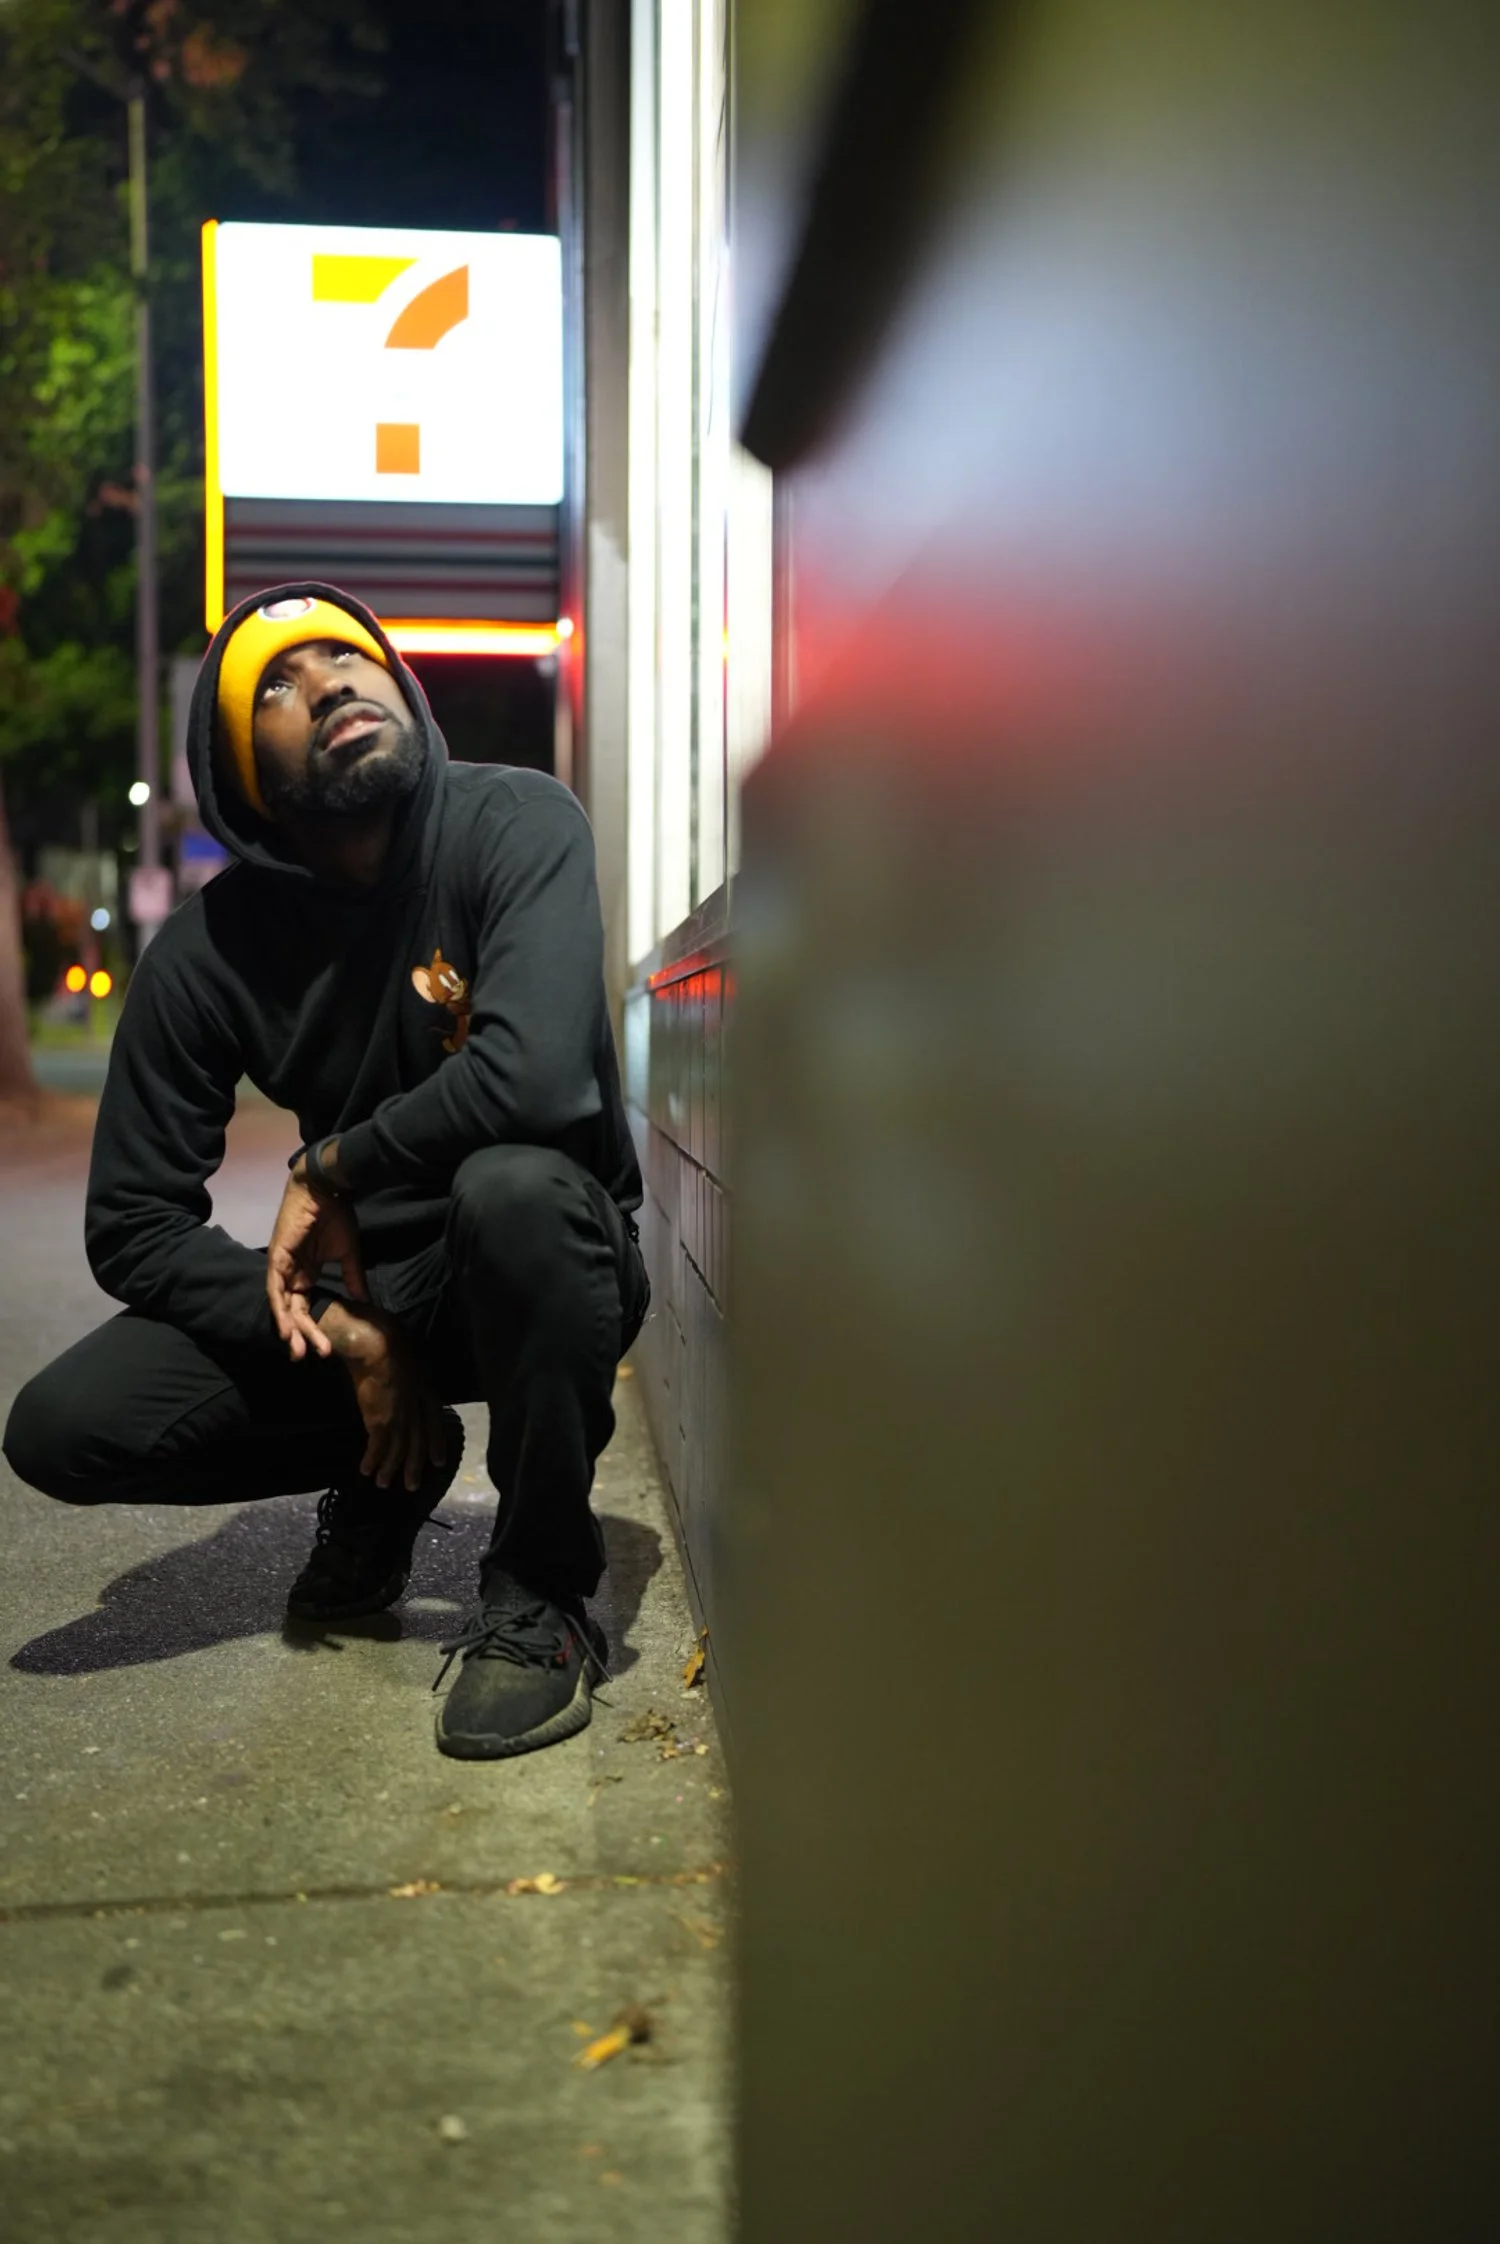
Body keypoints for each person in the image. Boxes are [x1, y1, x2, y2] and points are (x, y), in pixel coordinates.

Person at [2, 585, 648, 1762]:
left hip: (545, 1254)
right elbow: (134, 1224)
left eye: (346, 661)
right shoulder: (206, 953)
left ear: (396, 683)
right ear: (246, 770)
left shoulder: (515, 823)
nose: (330, 685)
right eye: (281, 689)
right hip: (377, 1291)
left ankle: (540, 1595)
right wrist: (349, 1336)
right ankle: (390, 1464)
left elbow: (538, 1080)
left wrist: (333, 1162)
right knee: (64, 1426)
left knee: (516, 1188)